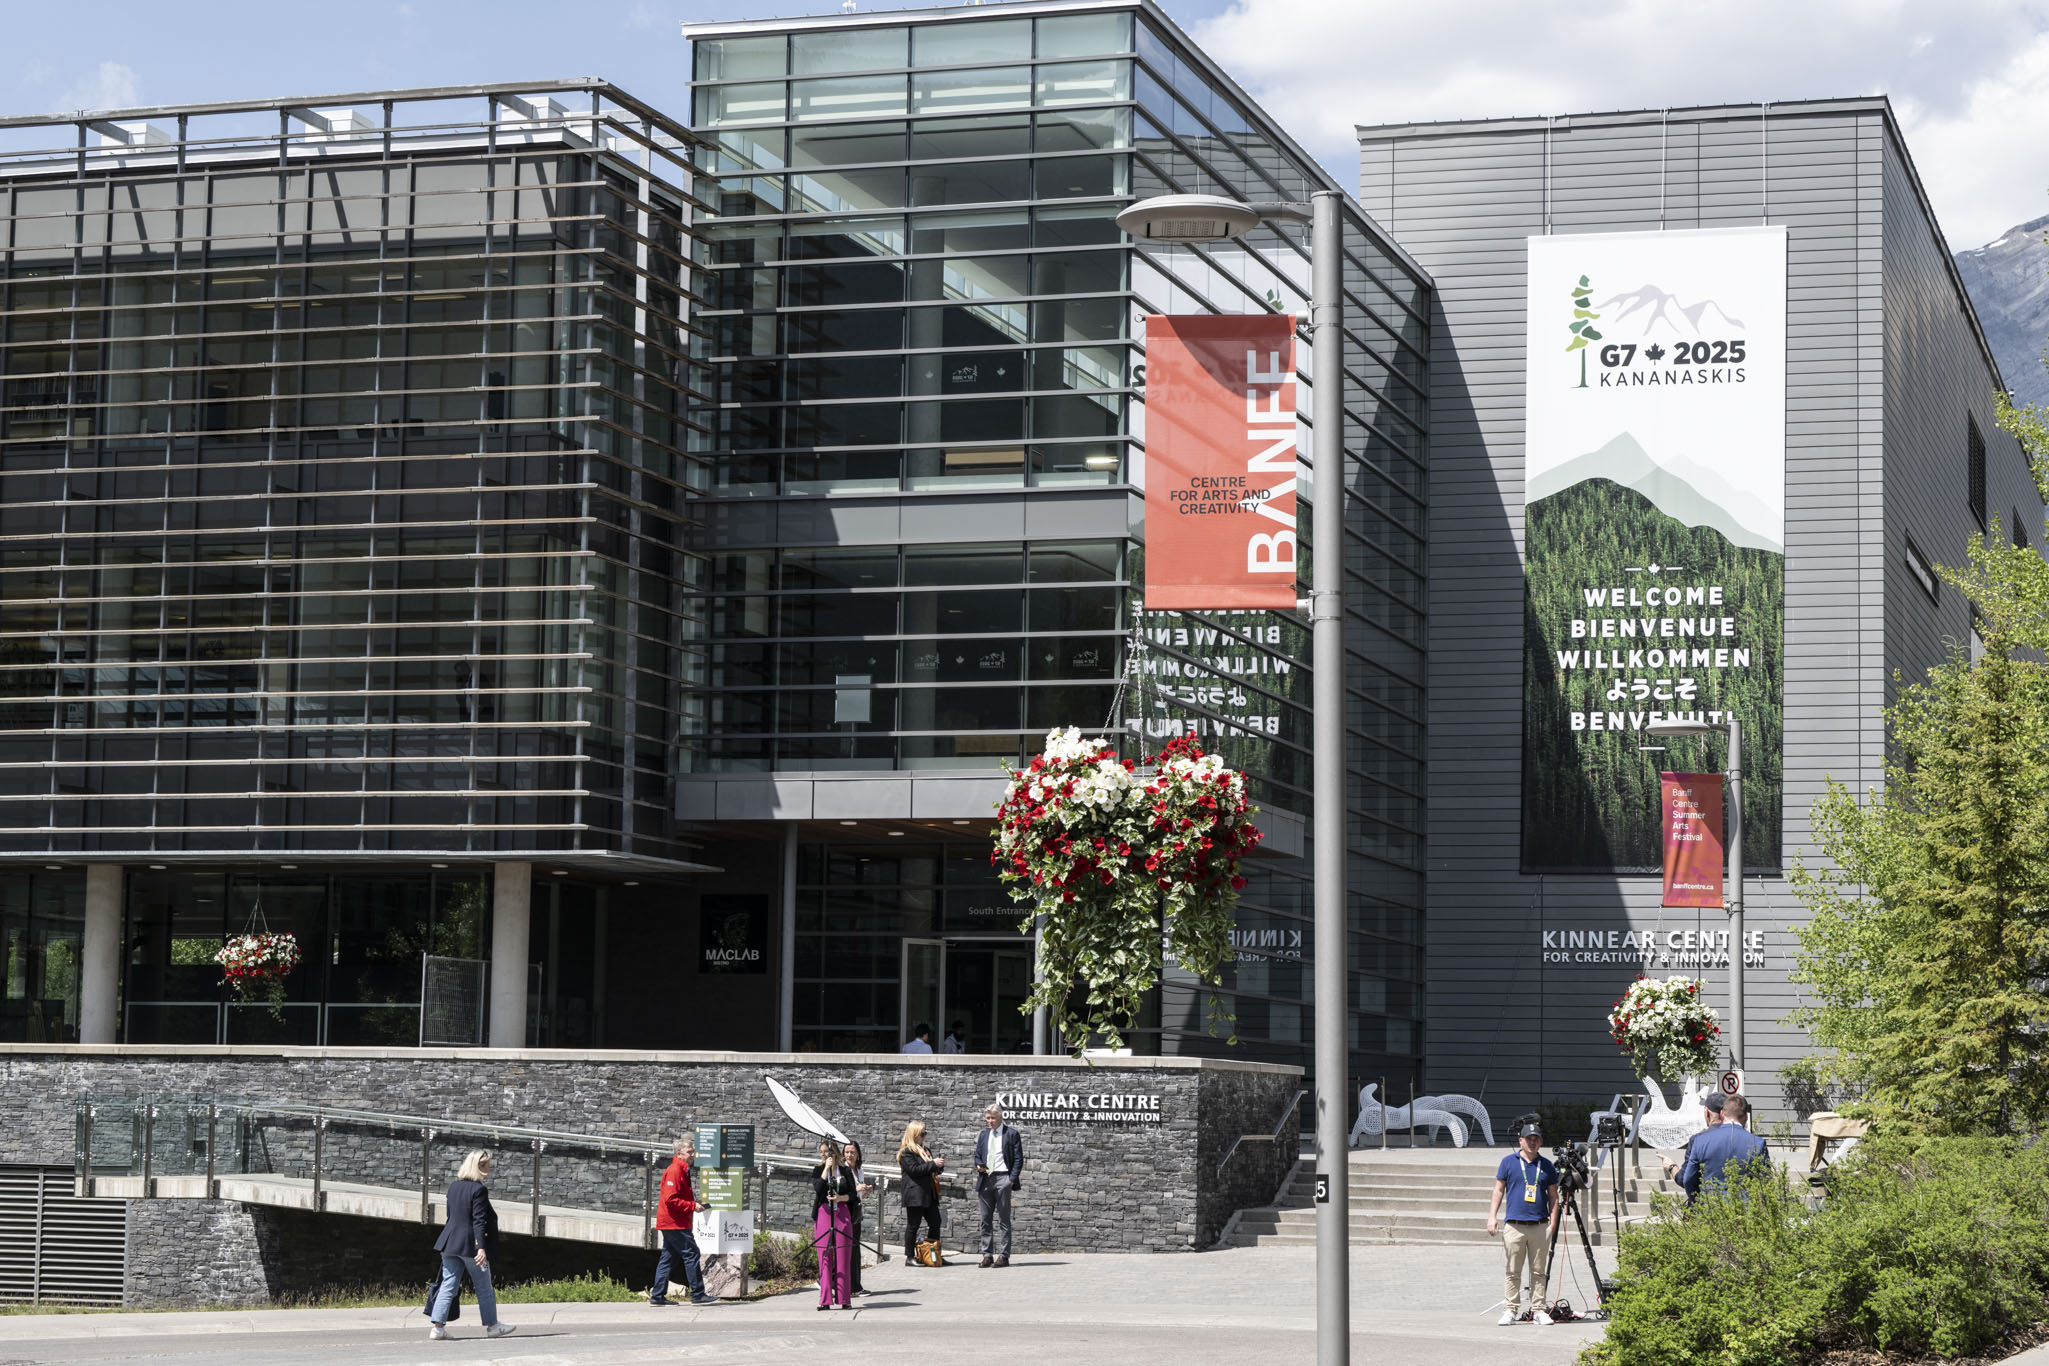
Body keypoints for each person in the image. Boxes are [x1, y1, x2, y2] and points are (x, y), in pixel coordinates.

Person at [428, 1150, 516, 1341]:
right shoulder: (479, 1190)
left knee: (448, 1285)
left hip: (449, 1243)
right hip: (470, 1246)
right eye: (486, 1166)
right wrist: (481, 1247)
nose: (489, 1169)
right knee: (484, 1286)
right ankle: (493, 1326)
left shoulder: (454, 1187)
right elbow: (478, 1221)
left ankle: (438, 1328)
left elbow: (451, 1216)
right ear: (478, 1167)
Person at [1485, 1117, 1561, 1327]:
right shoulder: (1508, 1162)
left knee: (1539, 1271)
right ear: (1521, 1141)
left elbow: (1554, 1196)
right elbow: (1498, 1189)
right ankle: (1510, 1309)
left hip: (1539, 1225)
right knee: (1512, 1271)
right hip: (1514, 1225)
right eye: (1529, 1139)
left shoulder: (1546, 1166)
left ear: (1541, 1142)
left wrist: (1552, 1224)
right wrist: (1492, 1216)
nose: (1532, 1142)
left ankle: (1538, 1309)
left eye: (1536, 1139)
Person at [649, 1136, 715, 1306]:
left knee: (668, 1258)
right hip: (674, 1222)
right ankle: (698, 1293)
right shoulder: (675, 1170)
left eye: (693, 1151)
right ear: (679, 1153)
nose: (693, 1155)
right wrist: (692, 1206)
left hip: (674, 1221)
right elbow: (670, 1199)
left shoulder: (682, 1169)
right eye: (689, 1152)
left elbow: (677, 1197)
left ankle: (657, 1295)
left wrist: (694, 1203)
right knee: (691, 1253)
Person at [1678, 1092, 1771, 1201]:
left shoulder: (1700, 1141)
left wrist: (1699, 1201)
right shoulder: (1758, 1143)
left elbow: (1688, 1180)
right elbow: (1765, 1183)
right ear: (1746, 1116)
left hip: (1710, 1207)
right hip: (1745, 1209)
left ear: (1722, 1114)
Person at [972, 1102, 1025, 1268]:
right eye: (987, 1118)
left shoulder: (1011, 1134)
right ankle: (987, 1255)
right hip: (986, 1178)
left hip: (1003, 1179)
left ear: (1000, 1117)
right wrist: (978, 1164)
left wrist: (1011, 1179)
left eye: (992, 1118)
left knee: (1004, 1219)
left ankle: (1004, 1256)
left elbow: (1018, 1159)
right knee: (985, 1220)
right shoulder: (983, 1135)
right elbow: (978, 1154)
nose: (990, 1121)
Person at [812, 1138, 856, 1309]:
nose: (823, 1155)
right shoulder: (818, 1170)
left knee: (843, 1256)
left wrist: (840, 1198)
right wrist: (826, 1170)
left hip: (842, 1213)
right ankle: (825, 1300)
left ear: (835, 1153)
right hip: (823, 1213)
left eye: (827, 1152)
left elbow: (853, 1194)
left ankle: (844, 1299)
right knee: (824, 1256)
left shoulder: (845, 1171)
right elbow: (818, 1189)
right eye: (821, 1152)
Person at [897, 1120, 945, 1263]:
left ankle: (933, 1254)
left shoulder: (924, 1150)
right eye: (922, 1134)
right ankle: (910, 1257)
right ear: (914, 1135)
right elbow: (914, 1170)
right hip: (915, 1194)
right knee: (913, 1225)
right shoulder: (907, 1152)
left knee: (936, 1222)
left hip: (928, 1193)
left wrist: (939, 1166)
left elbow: (931, 1169)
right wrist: (932, 1164)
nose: (924, 1137)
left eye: (925, 1134)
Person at [1658, 1091, 1724, 1182]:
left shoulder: (1698, 1140)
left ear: (1707, 1112)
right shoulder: (1744, 1138)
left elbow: (1685, 1179)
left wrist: (1671, 1166)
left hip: (1707, 1194)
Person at [842, 1140, 875, 1295]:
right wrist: (856, 1189)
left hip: (856, 1211)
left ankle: (855, 1286)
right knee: (847, 1249)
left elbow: (859, 1195)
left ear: (858, 1154)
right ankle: (847, 1286)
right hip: (845, 1212)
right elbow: (842, 1191)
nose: (850, 1155)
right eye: (847, 1152)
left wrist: (865, 1191)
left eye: (853, 1152)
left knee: (855, 1249)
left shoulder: (859, 1170)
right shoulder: (842, 1170)